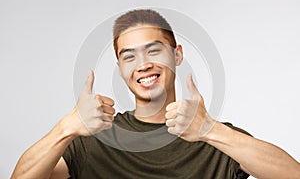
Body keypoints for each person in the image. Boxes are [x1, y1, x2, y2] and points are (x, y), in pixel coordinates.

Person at [11, 9, 300, 179]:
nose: (143, 64)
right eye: (129, 57)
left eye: (154, 50)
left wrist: (211, 131)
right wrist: (65, 129)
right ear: (121, 69)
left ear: (177, 54)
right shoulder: (91, 142)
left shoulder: (217, 138)